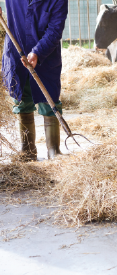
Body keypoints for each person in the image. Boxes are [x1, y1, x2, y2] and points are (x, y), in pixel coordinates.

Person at [1, 1, 68, 161]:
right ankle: (28, 150)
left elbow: (55, 29)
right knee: (22, 99)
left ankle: (54, 150)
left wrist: (38, 52)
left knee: (49, 99)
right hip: (17, 51)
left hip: (45, 54)